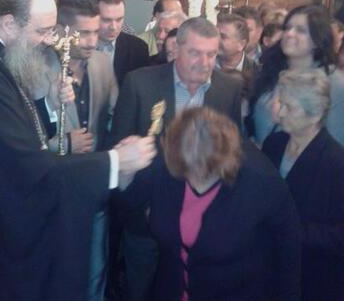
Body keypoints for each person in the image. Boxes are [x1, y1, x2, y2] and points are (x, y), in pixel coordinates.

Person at [0, 0, 156, 301]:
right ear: (9, 23)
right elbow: (28, 169)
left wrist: (48, 104)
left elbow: (18, 127)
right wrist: (115, 162)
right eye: (42, 31)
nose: (48, 40)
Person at [109, 17, 242, 301]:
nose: (204, 62)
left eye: (211, 54)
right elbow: (118, 150)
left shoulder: (228, 89)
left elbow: (232, 152)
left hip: (200, 221)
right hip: (145, 217)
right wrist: (137, 207)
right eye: (195, 53)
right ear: (176, 49)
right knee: (140, 290)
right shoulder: (139, 83)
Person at [121, 106, 301, 301]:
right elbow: (130, 202)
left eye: (199, 173)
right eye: (185, 170)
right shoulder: (170, 161)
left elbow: (288, 254)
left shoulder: (261, 181)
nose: (190, 180)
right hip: (172, 289)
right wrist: (125, 172)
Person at [35, 0, 119, 301]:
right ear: (60, 31)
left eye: (96, 31)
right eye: (84, 33)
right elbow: (21, 137)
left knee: (96, 266)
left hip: (95, 184)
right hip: (54, 187)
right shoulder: (34, 69)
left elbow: (113, 115)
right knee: (56, 267)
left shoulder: (102, 64)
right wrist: (63, 143)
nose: (93, 41)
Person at [262, 69, 344, 300]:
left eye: (289, 107)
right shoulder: (274, 144)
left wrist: (293, 231)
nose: (280, 113)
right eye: (281, 103)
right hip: (271, 270)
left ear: (315, 114)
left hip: (314, 278)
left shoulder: (336, 163)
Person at [248, 5, 344, 145]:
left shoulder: (334, 82)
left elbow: (335, 142)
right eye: (287, 28)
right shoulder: (272, 71)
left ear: (317, 40)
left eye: (301, 30)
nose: (290, 33)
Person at [93, 0, 149, 87]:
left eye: (119, 20)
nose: (113, 27)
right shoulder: (76, 44)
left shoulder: (138, 49)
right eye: (106, 20)